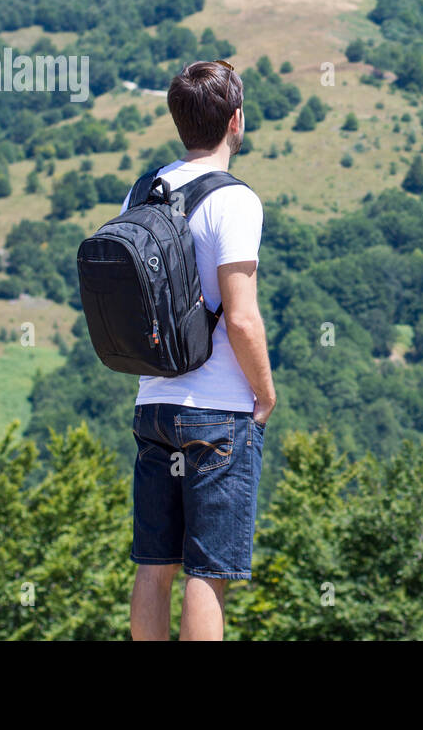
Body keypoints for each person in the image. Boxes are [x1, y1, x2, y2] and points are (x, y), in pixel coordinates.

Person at [123, 59, 277, 641]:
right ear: (235, 121)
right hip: (217, 411)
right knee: (208, 573)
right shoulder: (234, 201)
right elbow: (241, 317)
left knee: (154, 565)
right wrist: (263, 394)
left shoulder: (143, 190)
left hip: (153, 403)